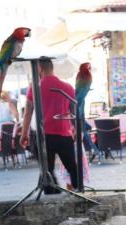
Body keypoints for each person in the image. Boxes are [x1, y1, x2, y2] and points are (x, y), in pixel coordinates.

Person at [20, 57, 79, 194]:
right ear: (52, 68)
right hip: (64, 133)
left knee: (47, 169)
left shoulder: (35, 87)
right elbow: (74, 111)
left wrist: (24, 134)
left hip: (43, 135)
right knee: (72, 168)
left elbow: (28, 112)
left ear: (39, 68)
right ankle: (79, 191)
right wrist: (75, 129)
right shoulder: (67, 87)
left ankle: (51, 193)